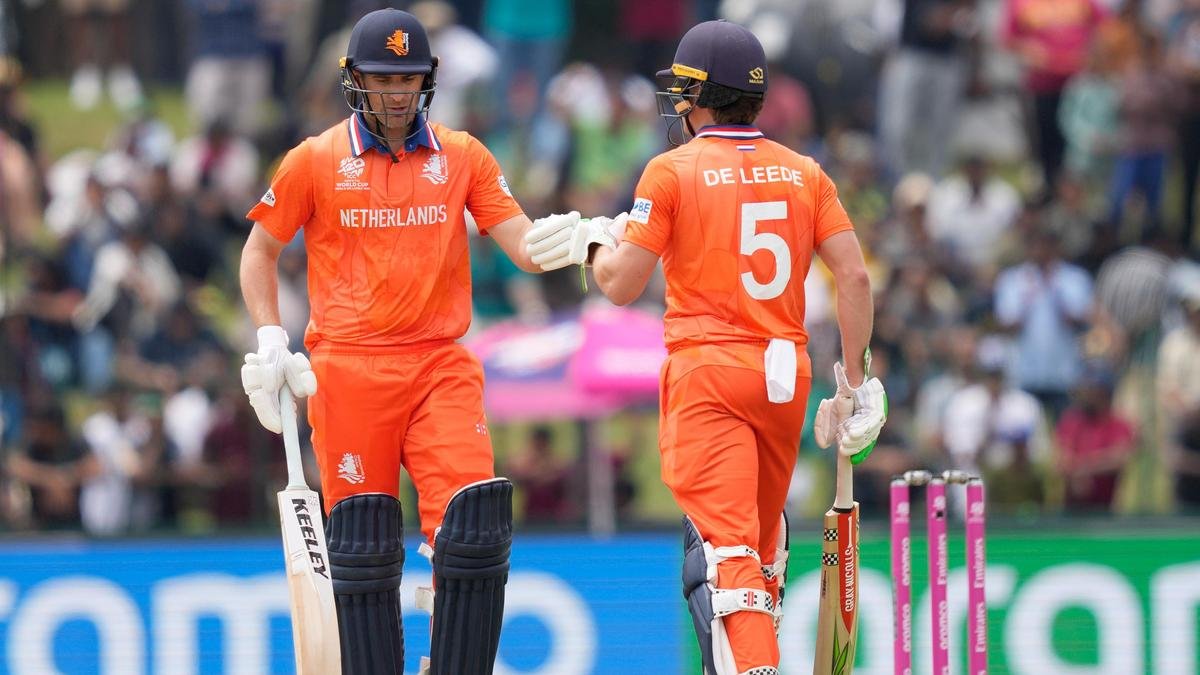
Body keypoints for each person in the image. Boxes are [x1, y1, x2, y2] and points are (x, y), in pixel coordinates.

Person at [524, 20, 887, 674]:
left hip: (710, 374)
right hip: (785, 376)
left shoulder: (672, 170)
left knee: (727, 556)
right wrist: (858, 384)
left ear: (697, 95)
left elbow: (621, 285)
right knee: (759, 550)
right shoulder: (805, 171)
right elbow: (855, 278)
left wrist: (593, 244)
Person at [238, 9, 583, 674]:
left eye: (408, 78)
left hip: (439, 365)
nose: (397, 93)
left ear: (428, 79)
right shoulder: (314, 159)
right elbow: (259, 251)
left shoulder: (464, 155)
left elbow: (521, 244)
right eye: (382, 78)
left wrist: (578, 242)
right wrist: (272, 336)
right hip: (347, 370)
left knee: (474, 527)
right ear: (354, 79)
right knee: (362, 549)